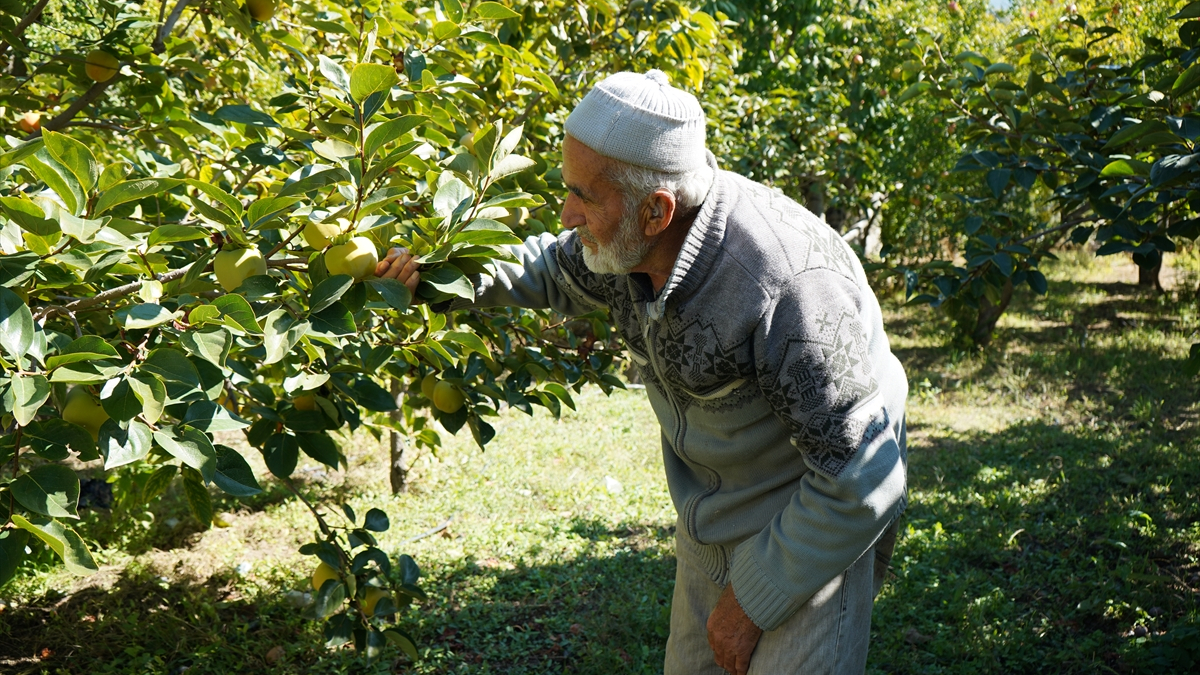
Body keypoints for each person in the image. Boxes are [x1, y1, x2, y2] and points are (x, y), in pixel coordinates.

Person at [375, 69, 909, 675]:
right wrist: (437, 276)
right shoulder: (627, 241)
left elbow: (860, 475)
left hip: (814, 521)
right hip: (713, 521)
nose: (566, 214)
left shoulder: (789, 284)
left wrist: (752, 601)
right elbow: (550, 270)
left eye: (584, 196)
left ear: (656, 211)